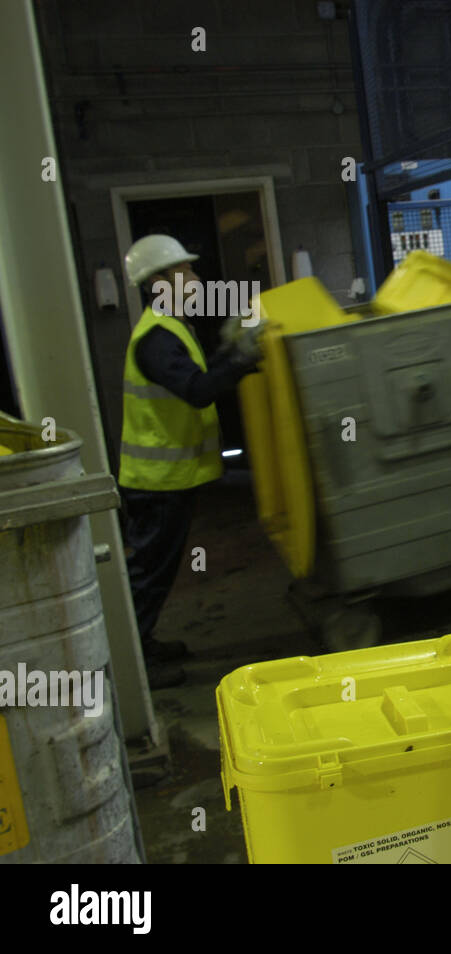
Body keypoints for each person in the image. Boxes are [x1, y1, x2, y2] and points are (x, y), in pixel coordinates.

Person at [119, 234, 263, 688]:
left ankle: (144, 643)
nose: (195, 279)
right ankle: (137, 664)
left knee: (156, 570)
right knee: (149, 573)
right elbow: (198, 389)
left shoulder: (172, 327)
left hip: (167, 477)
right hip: (157, 480)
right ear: (158, 281)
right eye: (186, 271)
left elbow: (200, 375)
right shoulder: (156, 339)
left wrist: (233, 351)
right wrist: (241, 358)